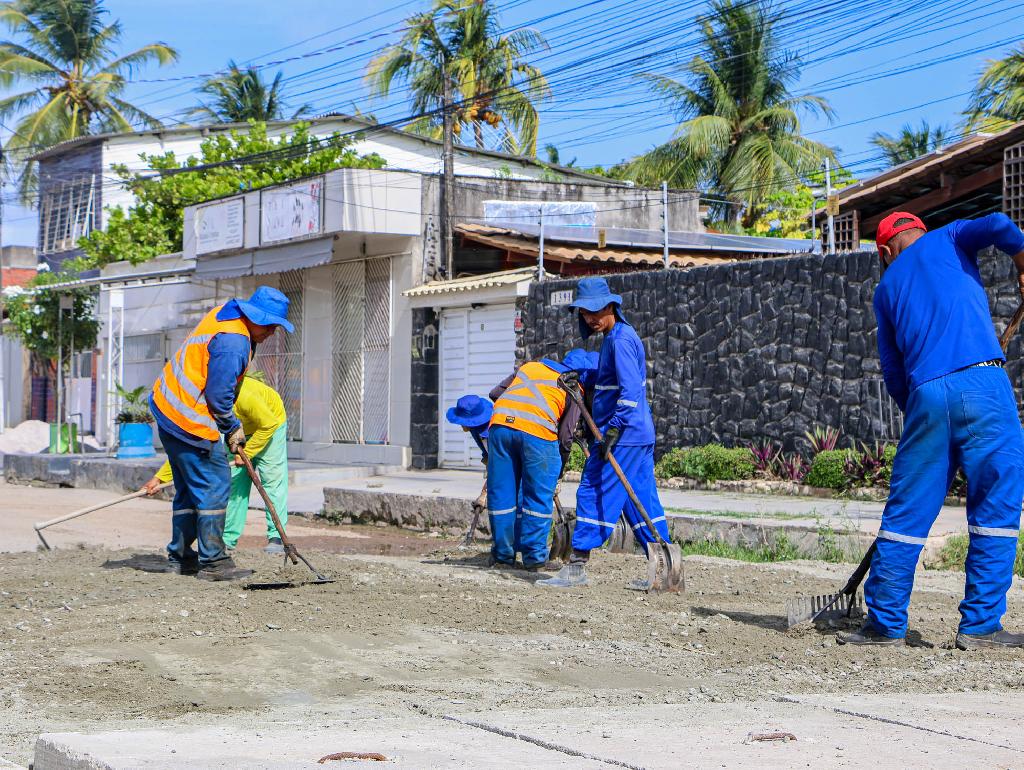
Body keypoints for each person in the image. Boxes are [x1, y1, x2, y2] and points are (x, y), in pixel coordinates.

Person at [838, 212, 1024, 649]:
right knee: (996, 507)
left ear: (884, 252)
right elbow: (999, 223)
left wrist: (924, 416)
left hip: (925, 394)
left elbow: (893, 370)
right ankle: (980, 626)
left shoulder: (885, 291)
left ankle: (884, 624)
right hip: (983, 384)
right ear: (920, 232)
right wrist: (1022, 261)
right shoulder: (951, 236)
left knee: (906, 513)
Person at [149, 286, 293, 581]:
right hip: (190, 417)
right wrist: (231, 427)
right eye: (271, 326)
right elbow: (217, 396)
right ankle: (213, 562)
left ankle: (180, 557)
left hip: (168, 409)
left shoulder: (225, 316)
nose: (272, 334)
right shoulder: (233, 343)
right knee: (215, 483)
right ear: (257, 319)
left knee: (189, 488)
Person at [539, 277, 669, 589]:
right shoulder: (618, 337)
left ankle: (578, 565)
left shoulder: (620, 340)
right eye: (584, 313)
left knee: (594, 487)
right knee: (639, 498)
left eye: (595, 311)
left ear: (611, 306)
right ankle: (665, 565)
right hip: (637, 433)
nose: (591, 318)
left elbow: (628, 392)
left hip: (623, 433)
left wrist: (612, 430)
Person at [143, 373, 289, 555]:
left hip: (271, 426)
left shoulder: (246, 395)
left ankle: (276, 537)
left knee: (272, 482)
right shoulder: (206, 407)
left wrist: (248, 453)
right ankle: (228, 538)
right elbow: (189, 449)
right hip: (236, 432)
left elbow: (269, 425)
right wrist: (159, 478)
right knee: (234, 484)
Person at [485, 348, 597, 570]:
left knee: (502, 495)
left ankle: (502, 556)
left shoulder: (531, 366)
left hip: (499, 427)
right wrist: (558, 472)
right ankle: (535, 558)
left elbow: (495, 393)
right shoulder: (573, 385)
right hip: (536, 431)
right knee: (537, 497)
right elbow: (565, 437)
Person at [446, 394, 493, 511]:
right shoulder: (475, 429)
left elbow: (499, 466)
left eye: (462, 421)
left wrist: (484, 493)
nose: (460, 424)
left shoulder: (489, 435)